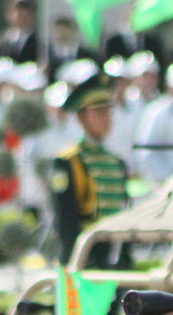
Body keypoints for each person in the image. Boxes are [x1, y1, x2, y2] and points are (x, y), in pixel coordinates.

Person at [51, 72, 130, 269]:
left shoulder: (116, 162)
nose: (106, 119)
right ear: (82, 118)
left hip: (112, 254)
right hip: (83, 255)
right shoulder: (68, 160)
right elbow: (65, 219)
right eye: (98, 113)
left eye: (108, 112)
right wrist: (76, 261)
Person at [0, 0, 39, 65]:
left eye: (24, 10)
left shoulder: (38, 41)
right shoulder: (5, 39)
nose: (20, 14)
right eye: (17, 9)